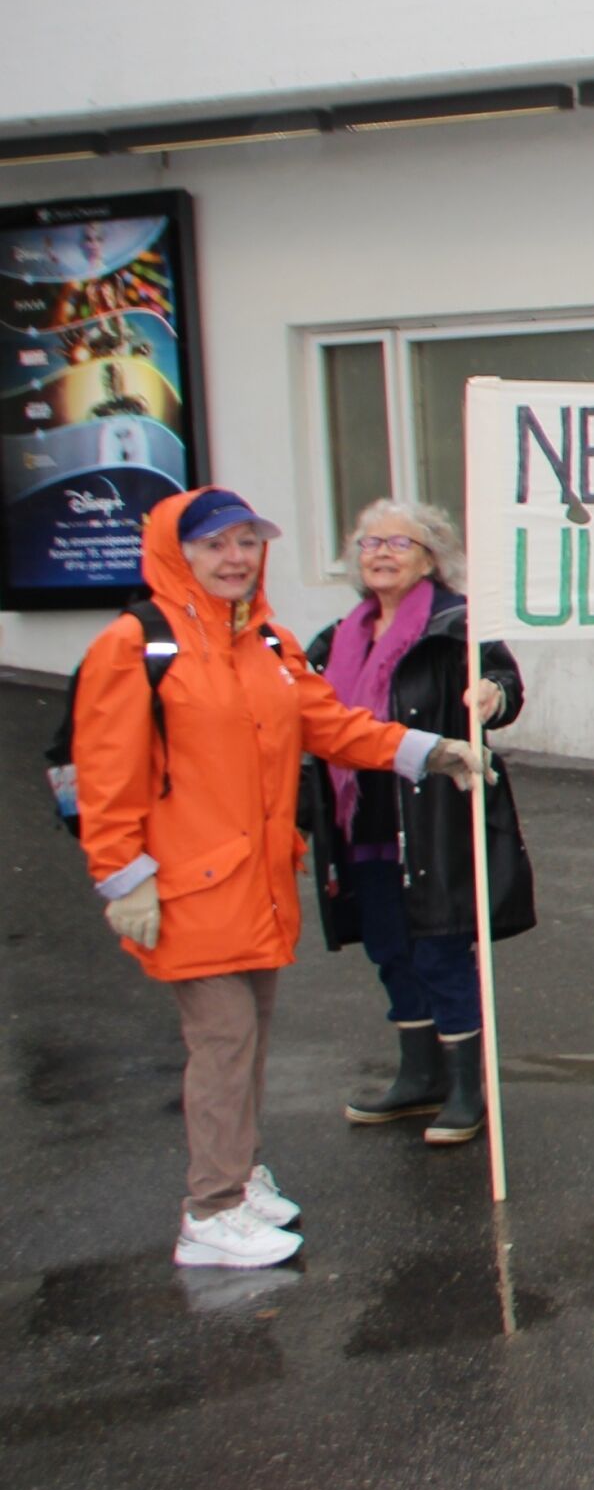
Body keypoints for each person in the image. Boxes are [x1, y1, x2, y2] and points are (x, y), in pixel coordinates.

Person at [75, 490, 479, 1269]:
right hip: (187, 889)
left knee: (247, 1039)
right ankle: (212, 1209)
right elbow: (105, 774)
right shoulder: (134, 646)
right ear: (175, 553)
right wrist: (124, 881)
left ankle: (239, 1173)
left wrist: (426, 751)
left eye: (246, 544)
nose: (235, 560)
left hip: (252, 884)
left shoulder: (264, 640)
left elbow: (328, 725)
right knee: (223, 1041)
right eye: (215, 546)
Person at [302, 501, 532, 1147]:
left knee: (438, 947)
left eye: (399, 544)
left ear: (431, 558)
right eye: (370, 542)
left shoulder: (458, 625)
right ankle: (418, 1075)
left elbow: (503, 683)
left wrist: (492, 695)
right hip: (361, 819)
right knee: (389, 948)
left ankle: (465, 1087)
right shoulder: (335, 638)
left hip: (435, 815)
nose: (381, 553)